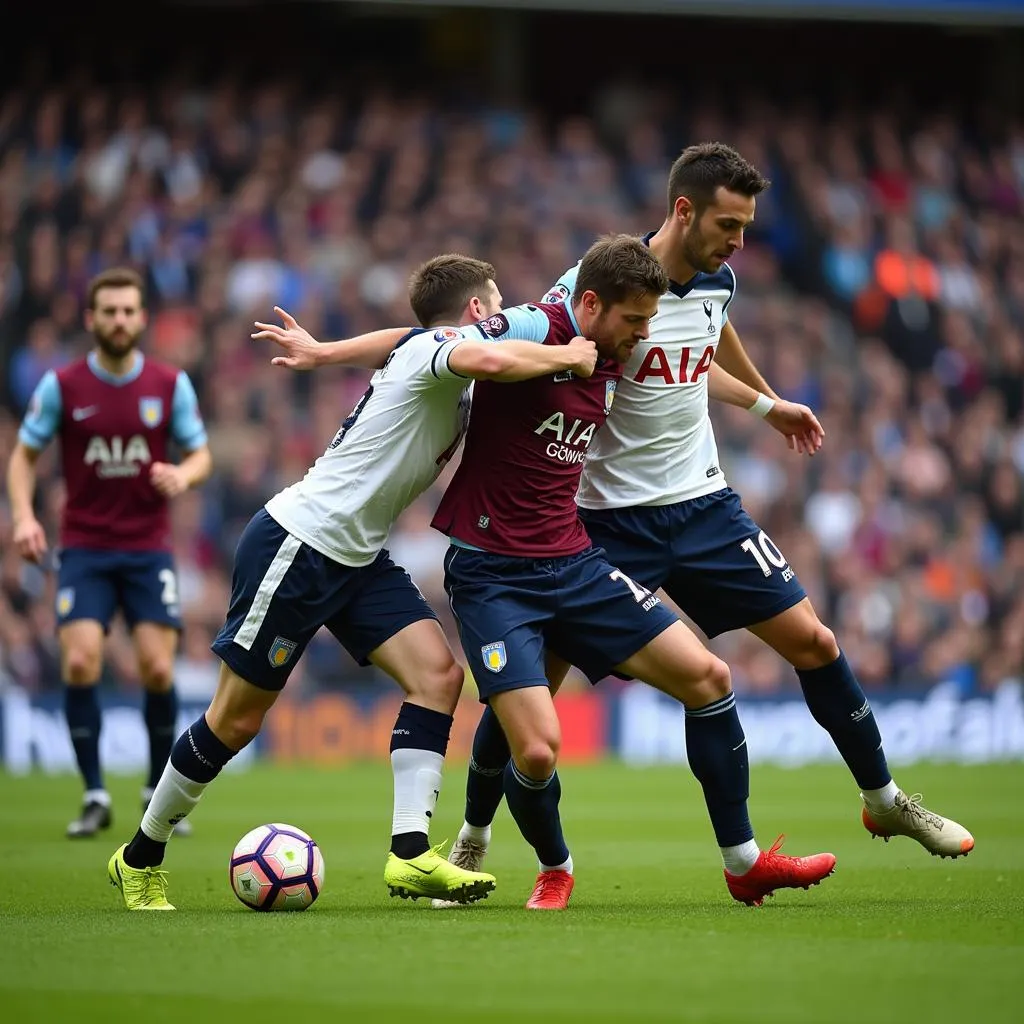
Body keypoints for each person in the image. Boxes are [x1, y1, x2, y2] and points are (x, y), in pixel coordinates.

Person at [441, 143, 975, 899]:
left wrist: (766, 401)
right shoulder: (596, 290)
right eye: (728, 224)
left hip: (703, 506)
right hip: (604, 522)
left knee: (815, 641)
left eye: (747, 226)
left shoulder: (717, 280)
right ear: (683, 210)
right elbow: (537, 360)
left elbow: (707, 333)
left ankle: (884, 802)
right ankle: (472, 836)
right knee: (533, 694)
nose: (739, 243)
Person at [106, 254, 599, 910]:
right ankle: (140, 855)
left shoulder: (421, 346)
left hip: (358, 553)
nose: (514, 318)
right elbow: (479, 358)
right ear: (479, 312)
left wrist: (323, 351)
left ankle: (409, 855)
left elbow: (395, 339)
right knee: (236, 719)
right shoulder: (444, 351)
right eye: (500, 304)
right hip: (300, 542)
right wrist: (571, 356)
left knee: (439, 677)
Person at [429, 232, 836, 911]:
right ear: (590, 303)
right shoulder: (536, 324)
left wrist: (767, 407)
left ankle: (743, 863)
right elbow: (439, 343)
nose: (646, 335)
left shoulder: (622, 352)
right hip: (492, 573)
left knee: (710, 676)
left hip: (574, 561)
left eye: (652, 320)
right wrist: (327, 353)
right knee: (534, 751)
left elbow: (700, 366)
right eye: (635, 321)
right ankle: (530, 858)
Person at [7, 267, 213, 839]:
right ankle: (95, 793)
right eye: (110, 311)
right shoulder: (63, 387)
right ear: (91, 319)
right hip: (86, 548)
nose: (119, 320)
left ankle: (155, 790)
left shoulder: (170, 385)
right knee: (80, 661)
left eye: (128, 311)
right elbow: (23, 458)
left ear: (142, 319)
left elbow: (201, 453)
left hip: (147, 548)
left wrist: (183, 473)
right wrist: (24, 517)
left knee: (153, 666)